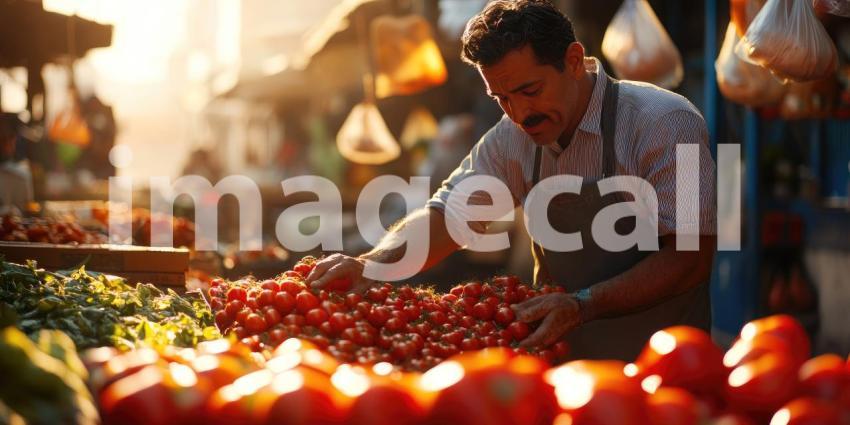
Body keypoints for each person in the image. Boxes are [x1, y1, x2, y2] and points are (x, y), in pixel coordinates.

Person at [306, 0, 716, 361]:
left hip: (665, 363)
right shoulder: (511, 139)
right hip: (562, 364)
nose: (520, 114)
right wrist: (372, 266)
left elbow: (689, 258)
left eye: (530, 90)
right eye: (501, 99)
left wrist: (583, 305)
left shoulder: (663, 123)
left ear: (574, 61)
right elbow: (449, 214)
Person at [0, 113, 34, 212]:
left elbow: (26, 213)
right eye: (3, 139)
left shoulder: (21, 176)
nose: (7, 144)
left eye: (9, 139)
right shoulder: (21, 176)